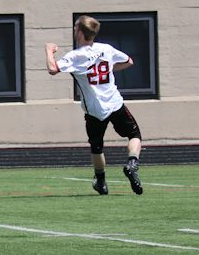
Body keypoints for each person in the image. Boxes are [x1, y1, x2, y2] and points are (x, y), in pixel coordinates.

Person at [46, 15, 144, 196]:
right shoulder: (106, 49)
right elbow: (128, 61)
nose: (74, 30)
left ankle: (101, 182)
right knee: (134, 135)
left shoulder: (76, 56)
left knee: (96, 146)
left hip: (94, 109)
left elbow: (53, 69)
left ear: (80, 33)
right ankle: (132, 163)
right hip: (114, 103)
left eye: (76, 28)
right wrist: (109, 67)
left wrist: (49, 51)